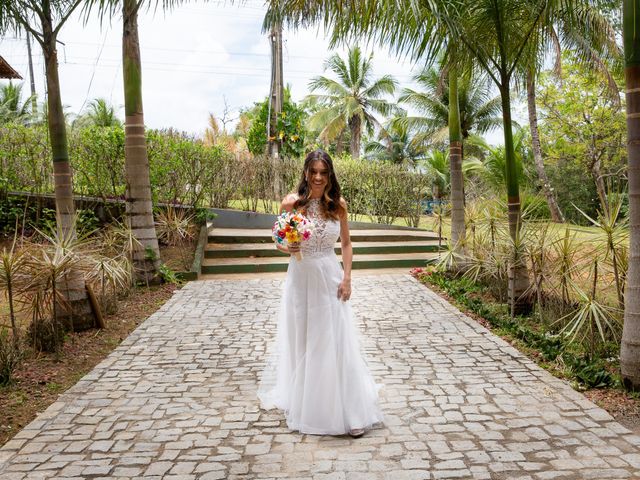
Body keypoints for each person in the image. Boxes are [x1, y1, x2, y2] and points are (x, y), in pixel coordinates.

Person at [258, 149, 384, 437]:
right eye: (313, 171)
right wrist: (286, 247)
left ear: (330, 175)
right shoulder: (291, 203)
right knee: (304, 338)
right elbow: (277, 237)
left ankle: (349, 409)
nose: (317, 177)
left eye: (323, 172)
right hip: (300, 278)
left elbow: (347, 244)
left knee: (334, 339)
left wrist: (348, 277)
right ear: (305, 172)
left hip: (329, 275)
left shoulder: (338, 205)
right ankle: (308, 402)